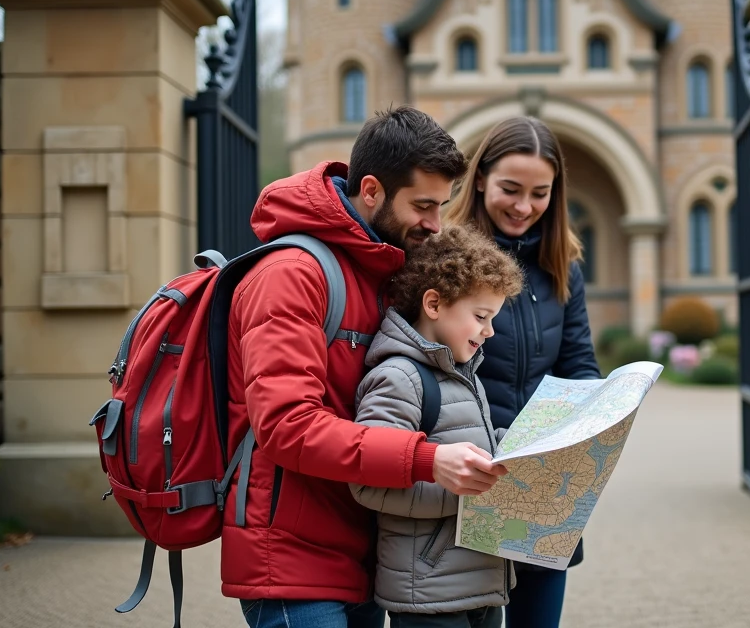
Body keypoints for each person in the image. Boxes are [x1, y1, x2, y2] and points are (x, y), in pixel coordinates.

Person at [223, 106, 510, 628]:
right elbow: (286, 427)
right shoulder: (290, 274)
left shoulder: (384, 264)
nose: (434, 224)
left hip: (365, 553)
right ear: (372, 190)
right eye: (423, 205)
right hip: (293, 558)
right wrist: (427, 459)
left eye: (442, 206)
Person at [444, 116, 601, 627]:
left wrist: (600, 417)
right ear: (482, 177)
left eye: (540, 194)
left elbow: (578, 363)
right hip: (468, 475)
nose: (523, 206)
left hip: (543, 481)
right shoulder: (446, 258)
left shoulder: (563, 266)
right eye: (510, 189)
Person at [350, 226, 524, 628]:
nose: (490, 331)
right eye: (481, 316)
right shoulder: (398, 377)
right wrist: (470, 490)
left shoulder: (465, 374)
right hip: (428, 591)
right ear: (434, 303)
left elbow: (467, 446)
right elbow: (368, 482)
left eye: (493, 318)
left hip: (480, 583)